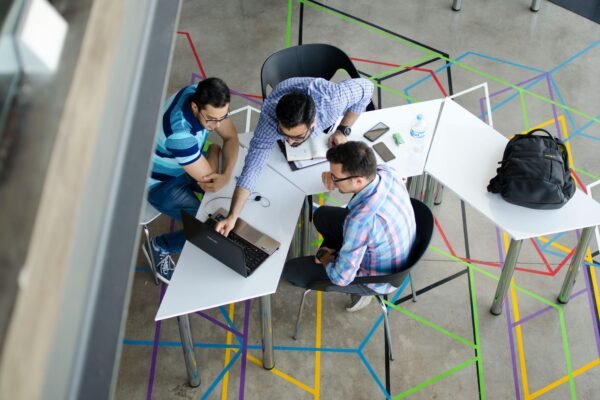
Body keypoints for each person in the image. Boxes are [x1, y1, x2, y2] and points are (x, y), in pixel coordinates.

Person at [214, 77, 374, 237]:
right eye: (284, 134)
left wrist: (343, 129)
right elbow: (253, 167)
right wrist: (232, 216)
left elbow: (367, 87)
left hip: (320, 95)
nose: (289, 142)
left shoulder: (332, 101)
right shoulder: (270, 117)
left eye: (297, 137)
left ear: (313, 124)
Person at [282, 141, 416, 312]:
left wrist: (325, 258)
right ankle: (342, 250)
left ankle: (361, 293)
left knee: (291, 270)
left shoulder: (360, 222)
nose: (331, 180)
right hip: (395, 248)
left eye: (335, 178)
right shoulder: (386, 172)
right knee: (322, 215)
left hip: (377, 278)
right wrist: (335, 177)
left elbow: (340, 278)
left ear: (358, 180)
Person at [143, 77, 239, 282]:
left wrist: (227, 173)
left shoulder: (201, 93)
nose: (217, 125)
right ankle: (159, 246)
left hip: (183, 165)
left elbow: (231, 137)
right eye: (212, 119)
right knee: (207, 226)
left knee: (224, 201)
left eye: (223, 117)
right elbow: (211, 183)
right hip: (160, 184)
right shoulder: (180, 135)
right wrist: (214, 152)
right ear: (195, 107)